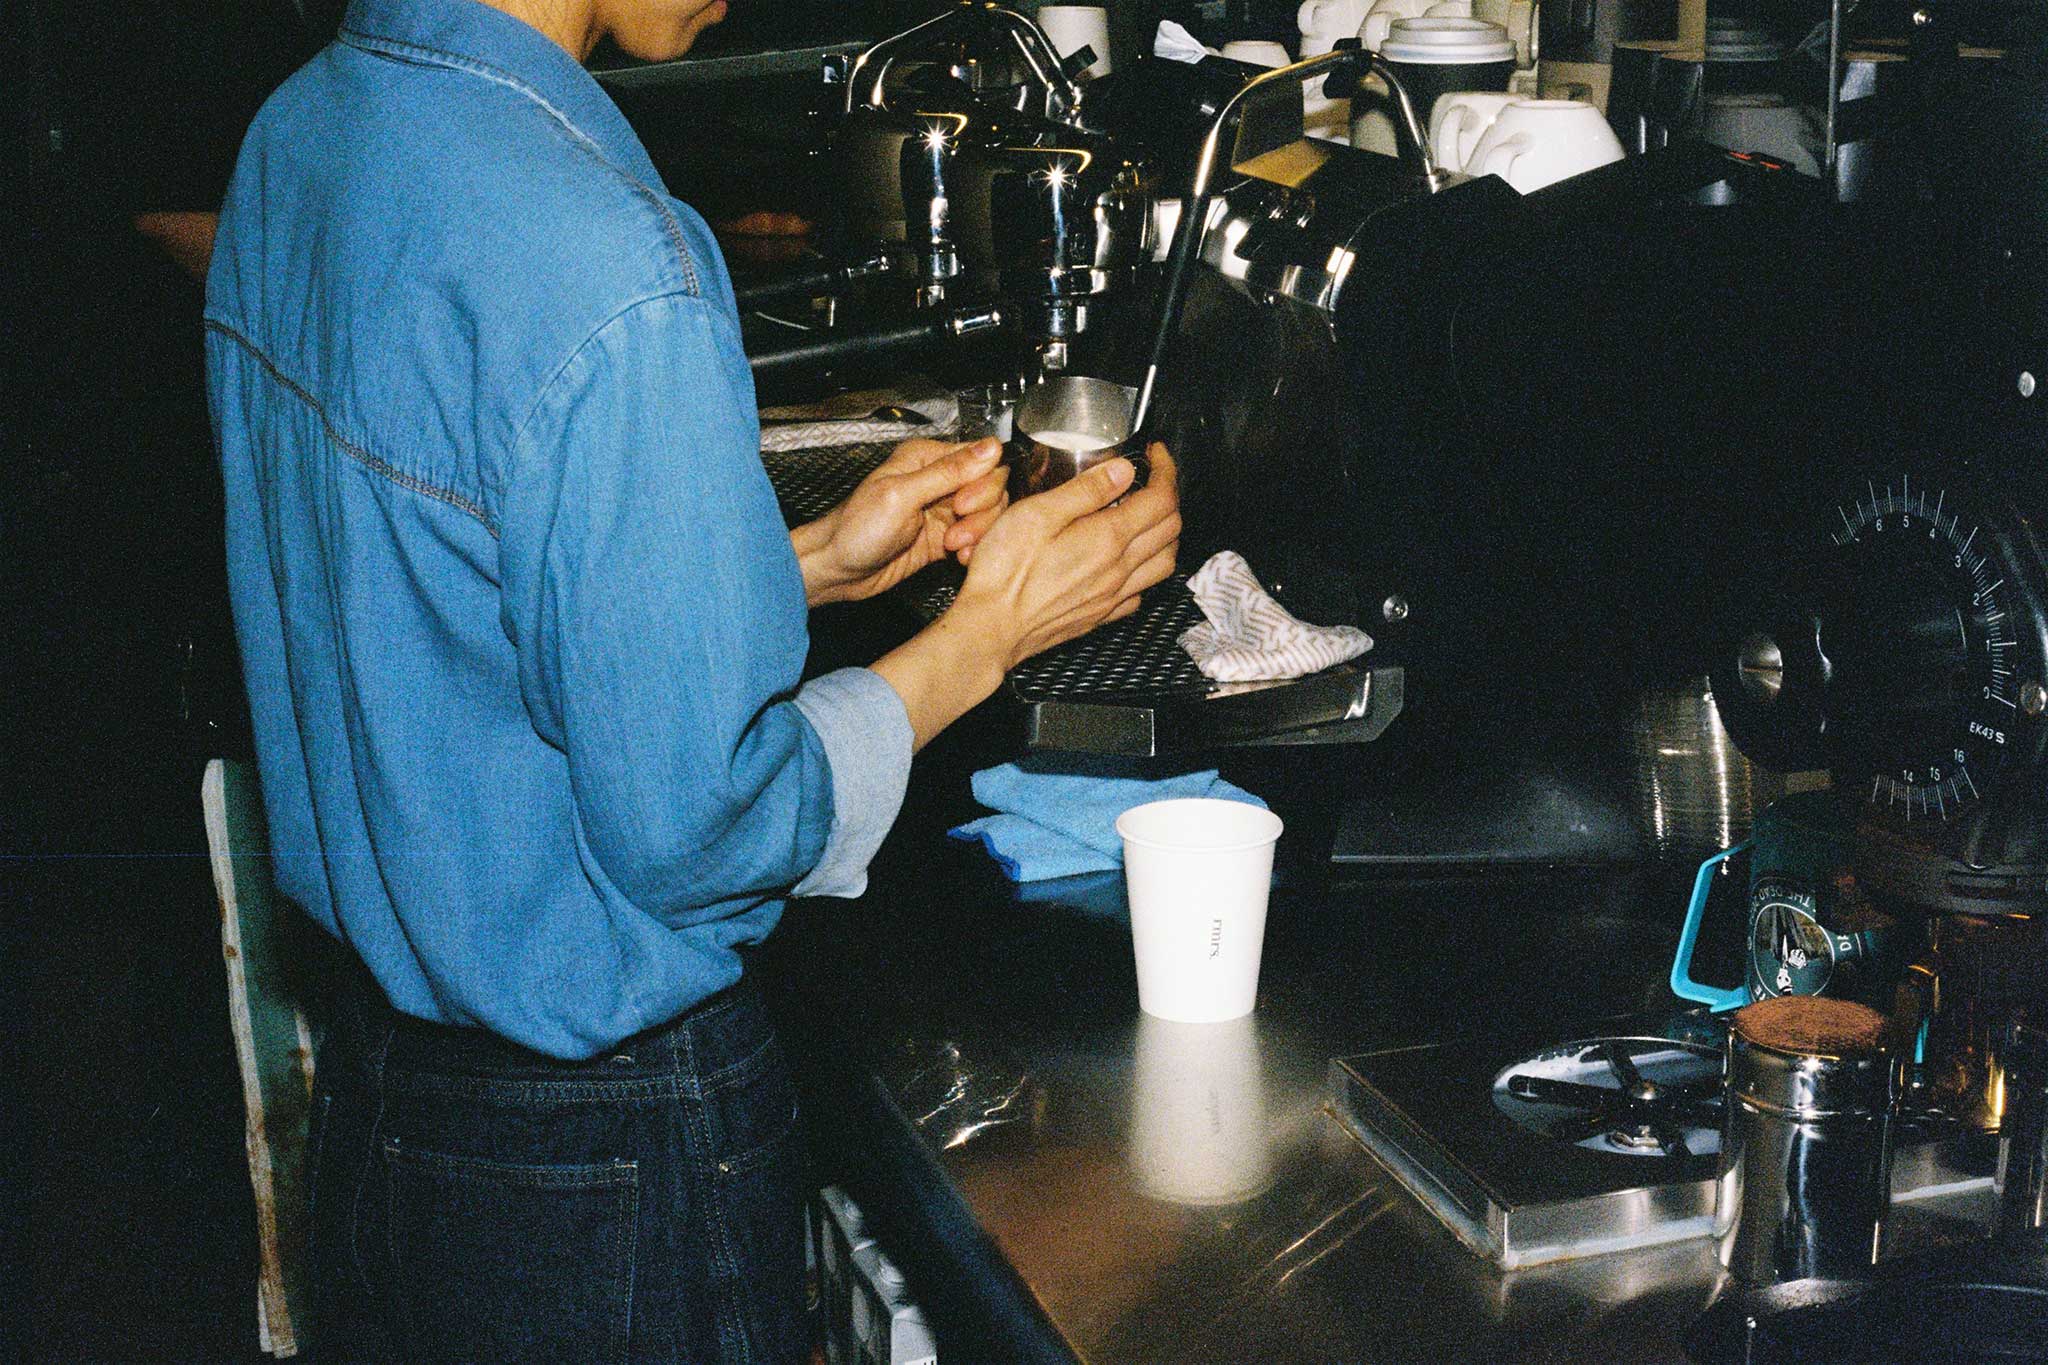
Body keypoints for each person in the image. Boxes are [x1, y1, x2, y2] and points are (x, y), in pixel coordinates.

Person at [203, 0, 1181, 1357]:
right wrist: (991, 629)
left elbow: (445, 611)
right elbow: (704, 823)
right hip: (600, 1163)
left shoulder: (305, 137)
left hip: (393, 1121)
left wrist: (811, 561)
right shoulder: (608, 256)